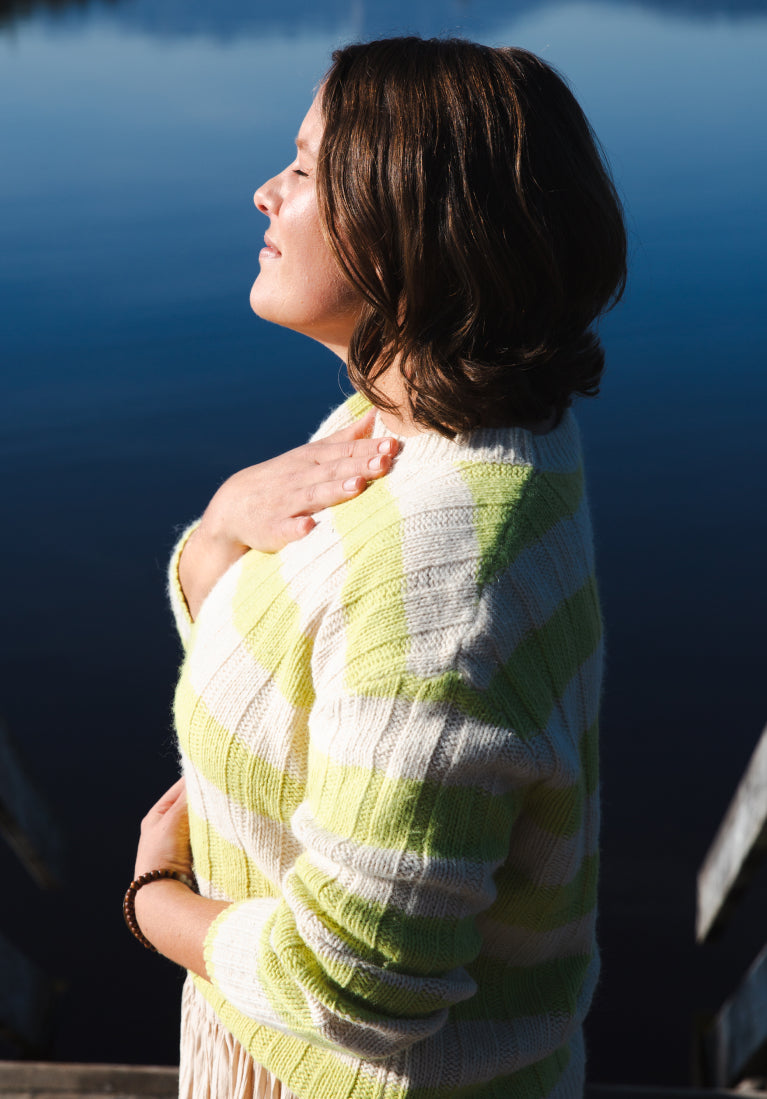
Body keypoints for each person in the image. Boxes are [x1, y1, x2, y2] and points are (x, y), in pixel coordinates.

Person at [125, 37, 626, 1099]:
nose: (263, 192)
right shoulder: (432, 423)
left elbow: (348, 990)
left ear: (414, 228)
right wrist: (216, 534)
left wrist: (152, 896)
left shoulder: (440, 582)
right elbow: (313, 644)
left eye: (304, 168)